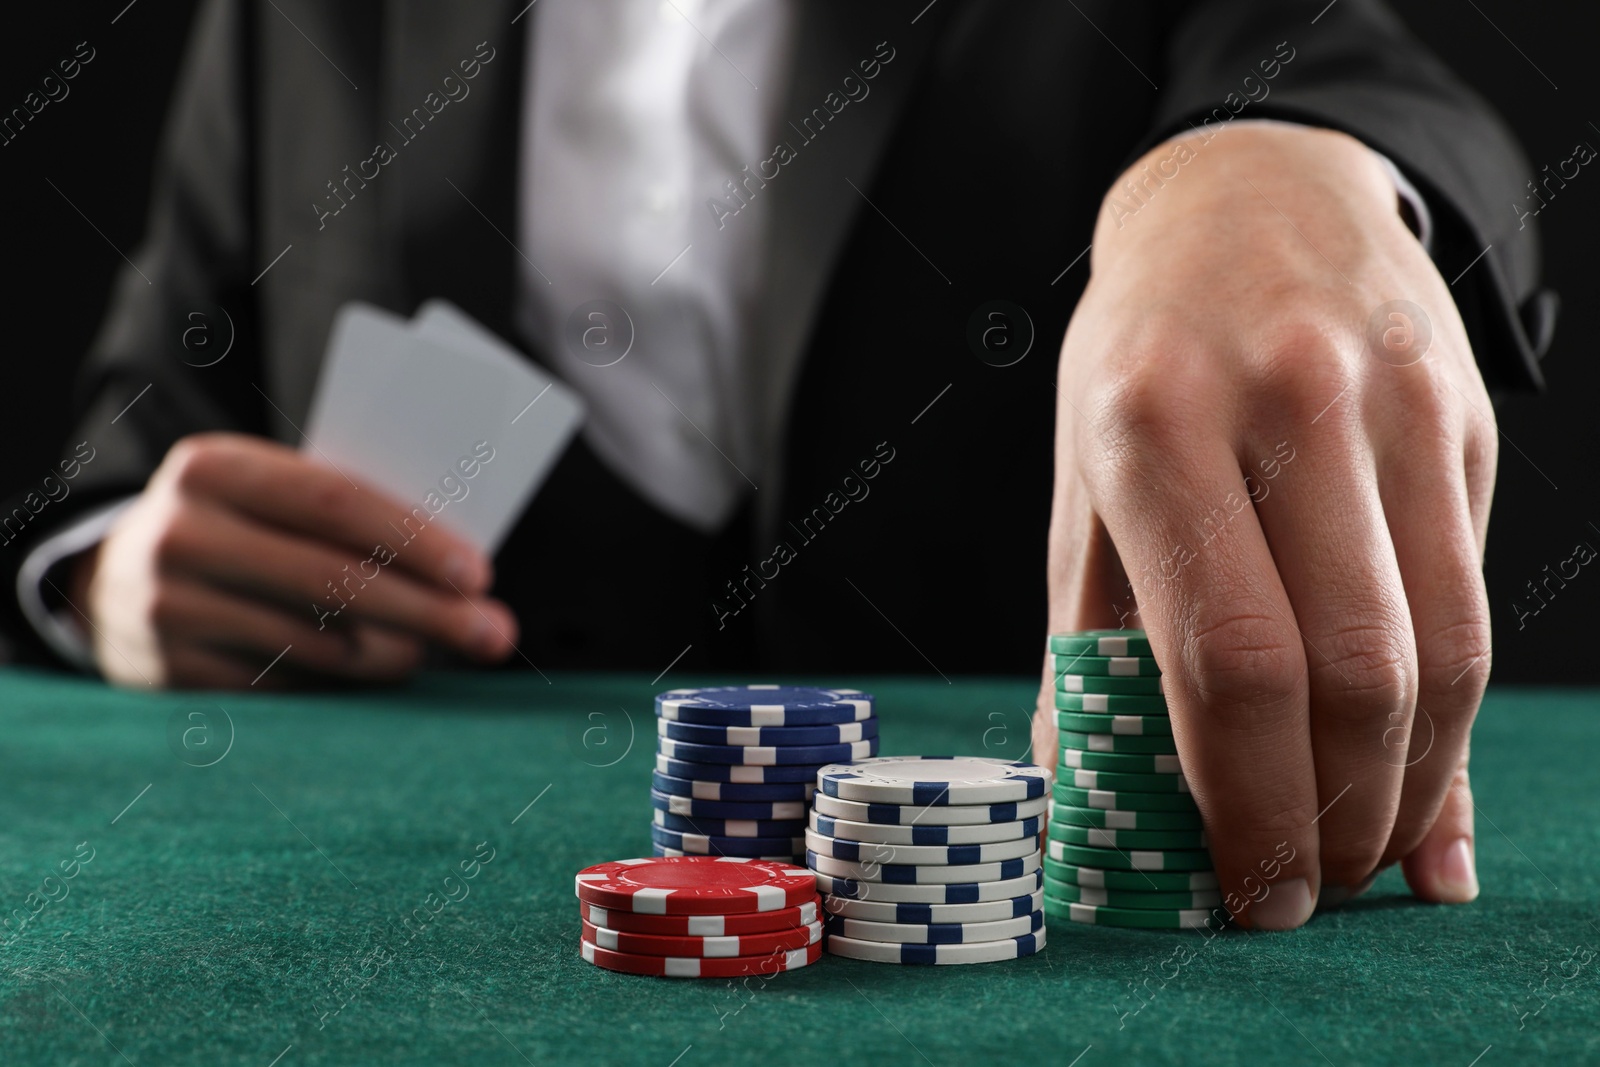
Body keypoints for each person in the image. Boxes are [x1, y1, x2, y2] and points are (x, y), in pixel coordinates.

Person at [0, 1, 1557, 930]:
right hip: (396, 835)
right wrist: (106, 567)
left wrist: (1293, 164)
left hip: (1017, 820)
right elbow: (146, 406)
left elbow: (1367, 68)